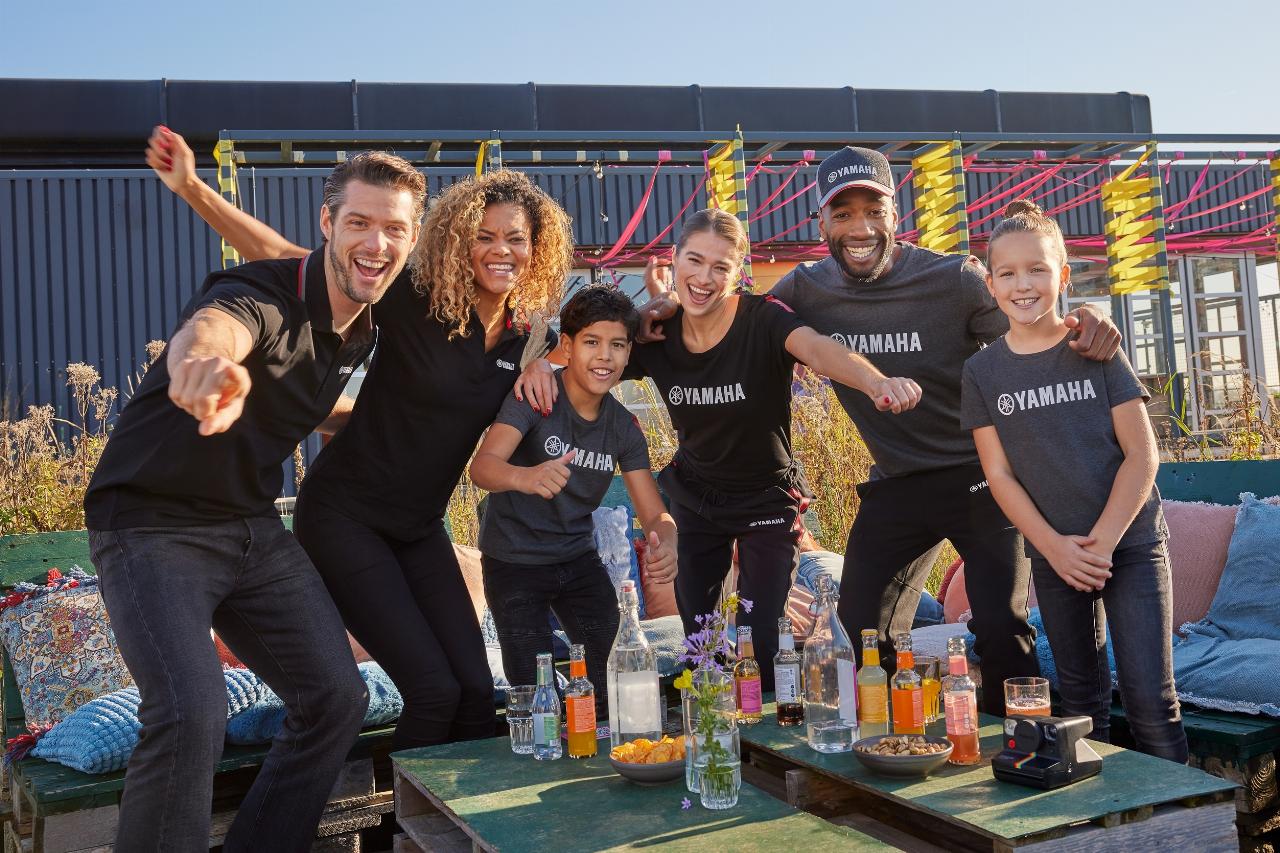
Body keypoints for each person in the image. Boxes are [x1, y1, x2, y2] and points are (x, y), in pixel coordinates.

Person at [641, 146, 1122, 714]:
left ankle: (1019, 743)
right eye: (843, 214)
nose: (860, 228)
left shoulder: (955, 279)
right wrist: (669, 307)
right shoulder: (803, 290)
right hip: (896, 481)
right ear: (822, 222)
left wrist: (1084, 316)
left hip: (980, 477)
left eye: (874, 211)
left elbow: (1032, 321)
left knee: (999, 624)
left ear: (896, 214)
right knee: (859, 631)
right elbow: (737, 314)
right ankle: (893, 740)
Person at [145, 127, 571, 749]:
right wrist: (192, 188)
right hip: (345, 518)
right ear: (459, 241)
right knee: (434, 692)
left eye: (516, 238)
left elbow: (610, 345)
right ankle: (408, 811)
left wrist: (561, 357)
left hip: (419, 527)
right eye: (484, 236)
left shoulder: (529, 337)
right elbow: (286, 256)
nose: (500, 250)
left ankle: (468, 809)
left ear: (538, 248)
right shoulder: (415, 303)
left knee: (478, 693)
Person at [84, 150, 426, 851]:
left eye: (393, 228)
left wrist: (372, 419)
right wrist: (204, 364)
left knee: (336, 698)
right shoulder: (260, 294)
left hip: (248, 525)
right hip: (151, 523)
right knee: (189, 713)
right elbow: (218, 326)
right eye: (358, 223)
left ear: (411, 237)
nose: (376, 242)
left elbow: (307, 377)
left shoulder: (363, 317)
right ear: (327, 223)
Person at [521, 208, 921, 689]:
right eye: (694, 260)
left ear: (737, 272)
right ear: (674, 260)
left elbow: (818, 349)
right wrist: (541, 364)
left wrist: (877, 382)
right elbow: (586, 355)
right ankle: (713, 725)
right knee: (701, 644)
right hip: (697, 500)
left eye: (720, 267)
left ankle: (768, 726)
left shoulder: (763, 319)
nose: (704, 278)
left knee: (763, 645)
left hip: (766, 501)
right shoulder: (656, 335)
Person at [961, 199, 1186, 761]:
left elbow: (1142, 455)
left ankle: (1186, 815)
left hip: (1129, 546)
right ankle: (1096, 813)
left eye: (1037, 269)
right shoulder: (982, 372)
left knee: (1151, 703)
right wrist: (1055, 549)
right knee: (1080, 702)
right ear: (991, 286)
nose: (1023, 285)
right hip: (1054, 555)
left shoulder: (1096, 348)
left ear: (1063, 276)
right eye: (1008, 273)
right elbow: (999, 475)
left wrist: (1102, 544)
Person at [471, 286, 677, 698]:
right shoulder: (536, 396)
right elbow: (483, 467)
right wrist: (526, 478)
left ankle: (605, 737)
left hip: (577, 558)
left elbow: (654, 514)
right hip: (514, 561)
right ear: (566, 346)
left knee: (616, 672)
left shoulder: (623, 428)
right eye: (591, 342)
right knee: (535, 690)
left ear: (628, 354)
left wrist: (667, 540)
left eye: (617, 345)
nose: (605, 356)